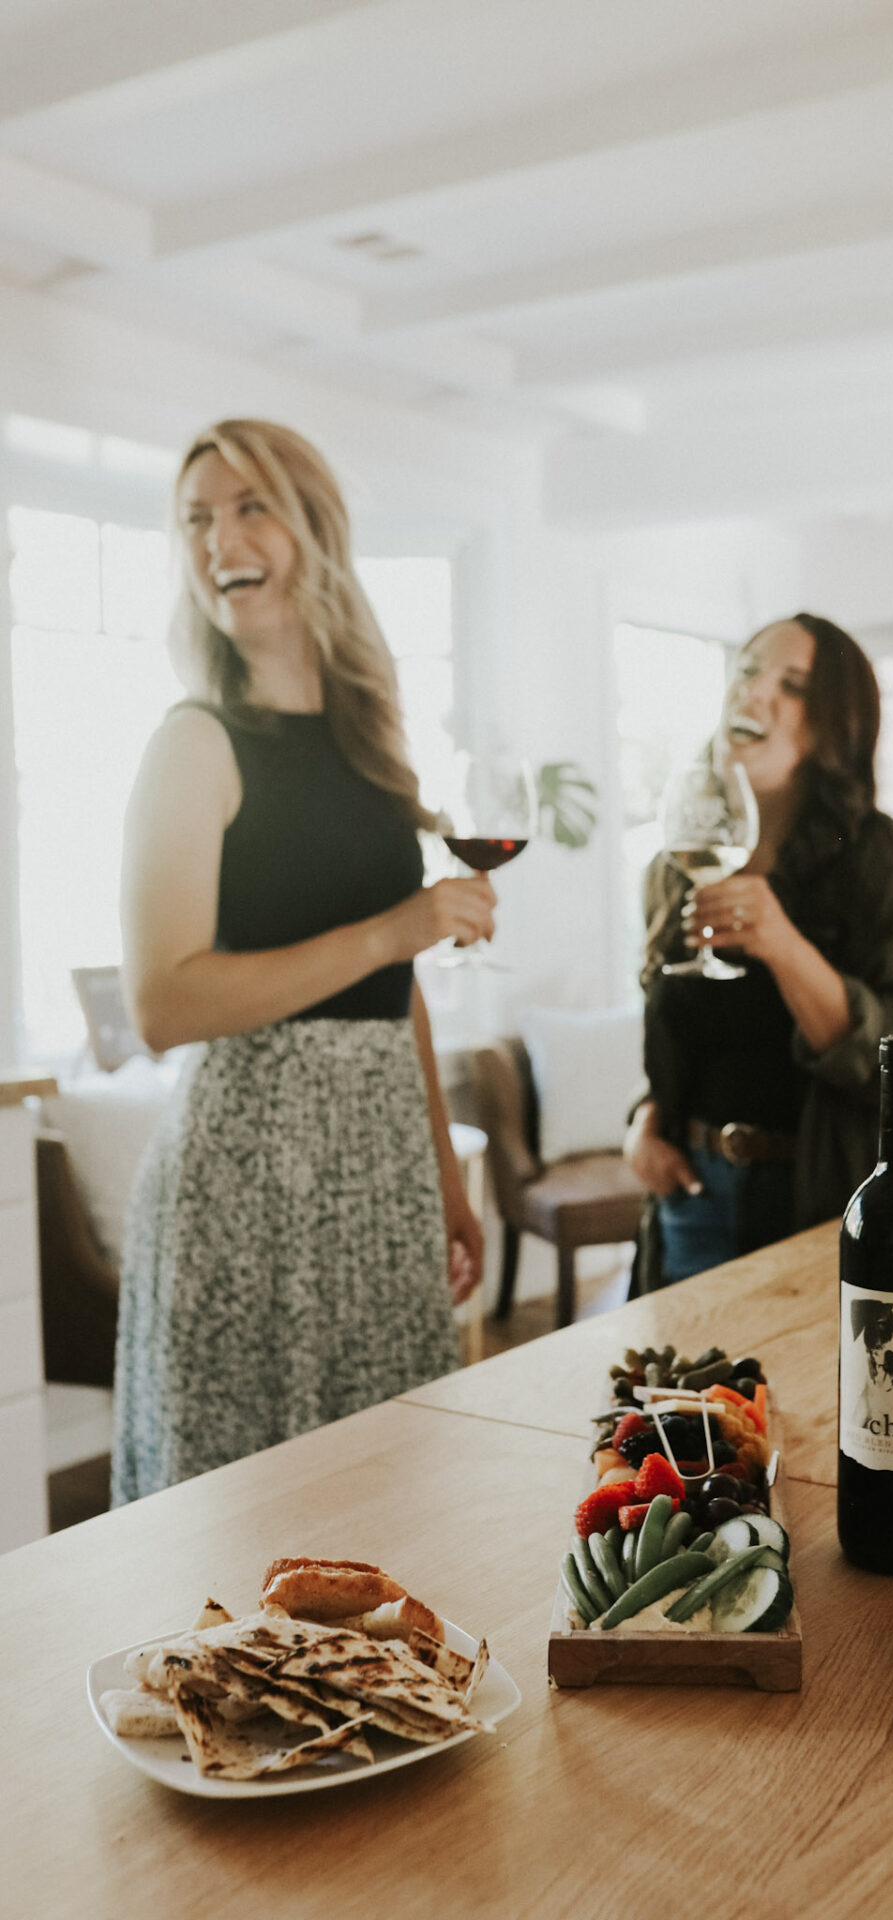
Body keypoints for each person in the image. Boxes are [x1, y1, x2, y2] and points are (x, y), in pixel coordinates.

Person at [111, 418, 496, 1503]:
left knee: (392, 1492)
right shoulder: (195, 740)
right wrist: (396, 928)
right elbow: (164, 1002)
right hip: (247, 1175)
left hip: (376, 1163)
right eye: (195, 518)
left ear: (313, 527)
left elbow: (394, 989)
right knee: (240, 1519)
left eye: (248, 507)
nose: (217, 539)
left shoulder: (369, 737)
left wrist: (442, 1174)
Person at [624, 613, 893, 1290]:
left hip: (824, 1204)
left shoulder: (883, 865)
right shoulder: (675, 865)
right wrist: (644, 1121)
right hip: (692, 1198)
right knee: (677, 1395)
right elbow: (685, 1037)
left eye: (793, 685)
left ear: (835, 725)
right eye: (747, 670)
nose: (754, 692)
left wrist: (780, 944)